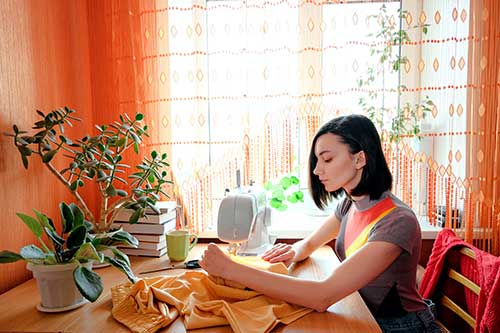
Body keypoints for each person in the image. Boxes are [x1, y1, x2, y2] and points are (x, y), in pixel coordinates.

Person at [200, 114, 440, 332]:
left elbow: (322, 296)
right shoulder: (349, 205)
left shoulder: (397, 221)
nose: (316, 170)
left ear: (360, 159)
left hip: (399, 327)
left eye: (327, 159)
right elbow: (309, 244)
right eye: (317, 160)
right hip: (363, 316)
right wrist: (291, 251)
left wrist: (230, 269)